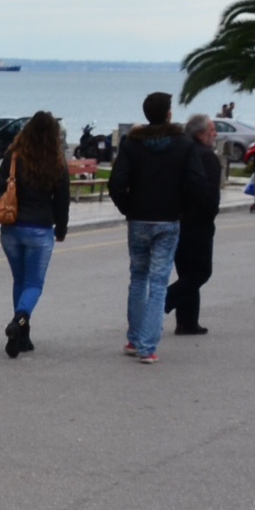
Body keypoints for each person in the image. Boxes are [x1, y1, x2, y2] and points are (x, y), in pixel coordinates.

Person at [108, 92, 211, 363]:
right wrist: (183, 209)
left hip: (139, 218)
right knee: (158, 282)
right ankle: (147, 346)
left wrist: (127, 207)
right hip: (168, 219)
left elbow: (116, 182)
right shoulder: (183, 145)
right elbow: (198, 184)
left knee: (138, 277)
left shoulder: (132, 144)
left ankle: (134, 338)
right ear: (168, 114)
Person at [0, 110, 69, 358]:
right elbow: (62, 200)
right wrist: (61, 228)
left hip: (11, 229)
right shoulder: (56, 161)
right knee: (34, 284)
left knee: (20, 281)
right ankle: (19, 320)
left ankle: (22, 335)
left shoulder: (14, 157)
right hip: (40, 230)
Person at [166, 113, 224, 337]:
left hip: (178, 219)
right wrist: (209, 215)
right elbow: (208, 195)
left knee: (187, 272)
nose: (215, 134)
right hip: (197, 223)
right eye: (212, 131)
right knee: (200, 272)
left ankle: (187, 321)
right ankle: (161, 301)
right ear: (201, 134)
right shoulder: (206, 157)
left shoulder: (181, 152)